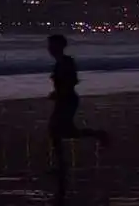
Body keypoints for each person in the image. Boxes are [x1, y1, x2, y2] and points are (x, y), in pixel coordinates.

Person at [46, 33, 109, 202]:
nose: (49, 49)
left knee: (59, 131)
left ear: (59, 46)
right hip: (65, 99)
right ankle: (62, 164)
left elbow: (71, 81)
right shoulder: (61, 62)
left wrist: (60, 93)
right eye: (49, 45)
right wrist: (57, 93)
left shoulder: (66, 61)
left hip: (67, 100)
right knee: (61, 131)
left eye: (52, 45)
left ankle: (62, 165)